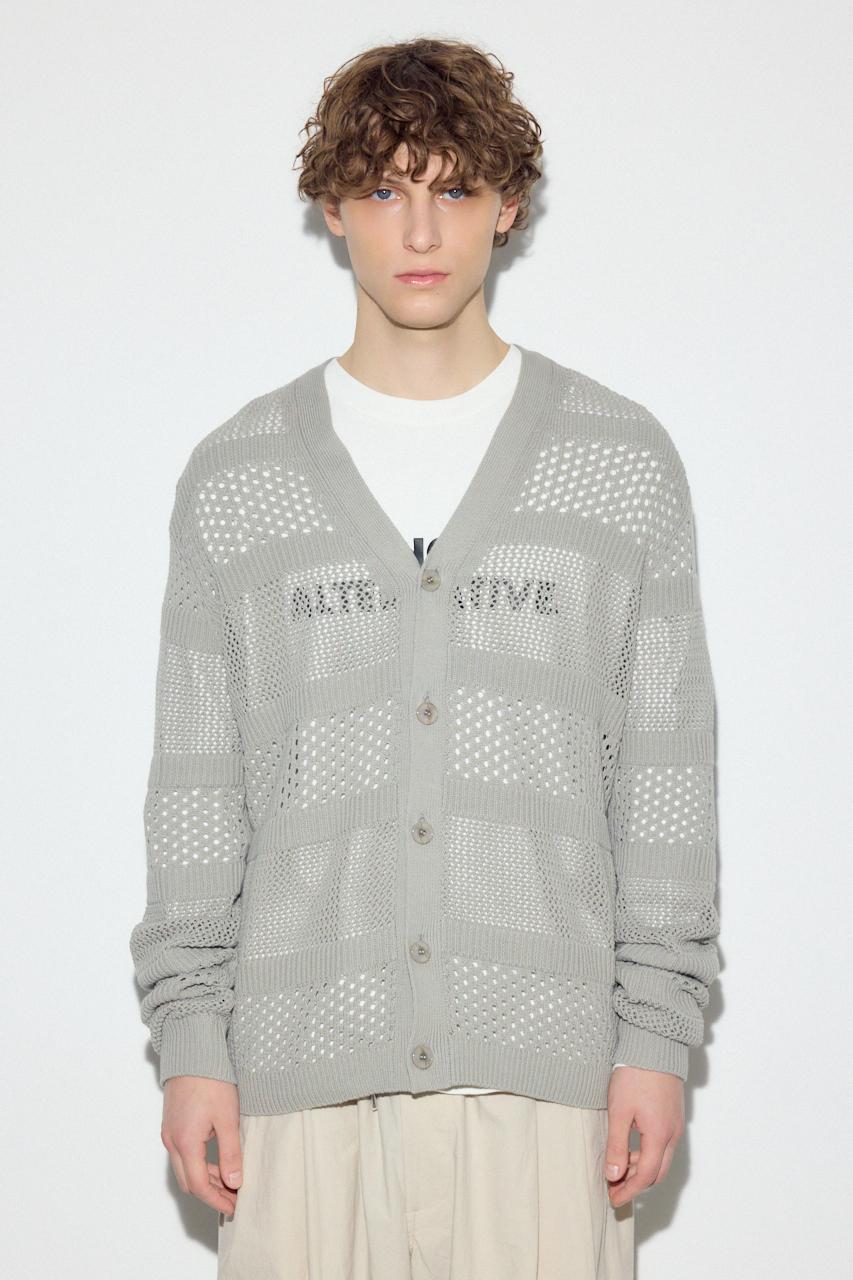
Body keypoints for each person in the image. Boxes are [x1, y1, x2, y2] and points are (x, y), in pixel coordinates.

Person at [129, 36, 720, 1279]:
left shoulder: (618, 465)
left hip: (547, 1087)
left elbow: (665, 774)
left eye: (454, 189)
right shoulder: (237, 480)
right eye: (383, 186)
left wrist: (655, 1035)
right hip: (296, 1084)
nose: (418, 228)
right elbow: (197, 786)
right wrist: (192, 1040)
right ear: (332, 205)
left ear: (508, 205)